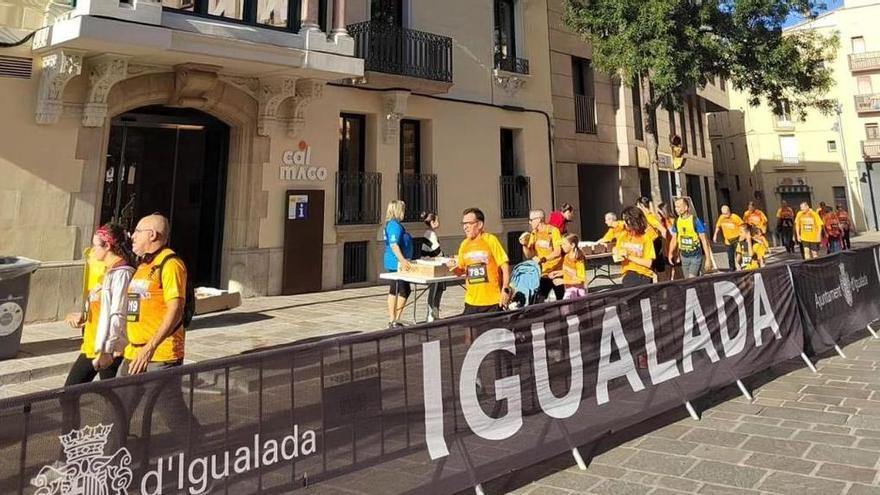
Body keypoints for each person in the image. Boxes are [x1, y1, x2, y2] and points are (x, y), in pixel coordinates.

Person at [63, 224, 136, 386]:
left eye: (95, 245)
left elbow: (117, 313)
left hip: (107, 346)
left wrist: (107, 349)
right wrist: (84, 315)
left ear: (108, 246)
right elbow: (101, 307)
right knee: (70, 393)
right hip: (93, 343)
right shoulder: (107, 271)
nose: (93, 250)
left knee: (110, 398)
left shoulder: (121, 274)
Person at [125, 214, 187, 375]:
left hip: (159, 355)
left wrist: (150, 348)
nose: (132, 236)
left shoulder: (171, 264)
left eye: (138, 231)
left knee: (148, 400)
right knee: (120, 398)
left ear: (152, 235)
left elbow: (176, 309)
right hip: (133, 351)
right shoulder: (144, 264)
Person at [448, 208, 511, 314]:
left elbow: (504, 266)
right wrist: (452, 268)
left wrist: (505, 289)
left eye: (469, 223)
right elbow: (460, 271)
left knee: (492, 331)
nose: (465, 227)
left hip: (492, 302)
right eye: (463, 223)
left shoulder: (490, 240)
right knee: (469, 330)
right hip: (471, 302)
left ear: (480, 224)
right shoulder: (464, 244)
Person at [520, 209, 564, 302]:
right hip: (544, 273)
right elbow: (529, 255)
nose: (529, 222)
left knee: (562, 301)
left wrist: (543, 259)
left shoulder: (553, 231)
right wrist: (524, 245)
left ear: (539, 220)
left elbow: (557, 252)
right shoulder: (533, 233)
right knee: (538, 300)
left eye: (531, 220)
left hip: (556, 272)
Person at [383, 200, 412, 327]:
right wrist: (403, 260)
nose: (404, 212)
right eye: (403, 209)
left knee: (395, 289)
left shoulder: (392, 224)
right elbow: (394, 245)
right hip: (397, 263)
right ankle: (395, 318)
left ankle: (394, 319)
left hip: (394, 262)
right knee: (403, 289)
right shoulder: (394, 226)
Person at [669, 198, 714, 278]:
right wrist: (671, 253)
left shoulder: (695, 221)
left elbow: (704, 240)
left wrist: (708, 258)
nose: (676, 209)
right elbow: (674, 239)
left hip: (695, 256)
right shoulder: (676, 222)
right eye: (675, 207)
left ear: (686, 207)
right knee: (688, 281)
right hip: (684, 256)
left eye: (679, 207)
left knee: (691, 278)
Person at [614, 206, 657, 287]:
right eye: (623, 220)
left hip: (643, 275)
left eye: (626, 220)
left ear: (633, 220)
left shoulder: (646, 237)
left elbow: (648, 263)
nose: (624, 222)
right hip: (628, 274)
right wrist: (616, 252)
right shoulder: (623, 235)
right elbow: (617, 256)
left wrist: (629, 257)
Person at [420, 211, 444, 322]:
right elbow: (436, 251)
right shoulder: (431, 234)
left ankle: (435, 313)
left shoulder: (429, 233)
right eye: (437, 220)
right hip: (433, 266)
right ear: (433, 222)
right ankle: (431, 314)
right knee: (434, 290)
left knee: (438, 289)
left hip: (432, 264)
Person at [549, 233, 587, 300]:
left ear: (572, 245)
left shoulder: (578, 259)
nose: (562, 246)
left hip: (578, 291)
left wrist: (563, 281)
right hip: (568, 289)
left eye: (564, 244)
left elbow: (581, 280)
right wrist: (557, 273)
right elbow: (566, 271)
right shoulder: (566, 257)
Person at [637, 197, 668, 276]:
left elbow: (661, 228)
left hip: (654, 243)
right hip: (651, 242)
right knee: (654, 267)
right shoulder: (646, 215)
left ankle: (660, 284)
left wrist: (666, 243)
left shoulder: (648, 215)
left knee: (655, 266)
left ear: (641, 205)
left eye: (637, 205)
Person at [713, 205, 744, 271]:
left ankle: (738, 265)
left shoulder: (735, 217)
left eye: (727, 213)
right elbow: (718, 226)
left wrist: (742, 235)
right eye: (724, 214)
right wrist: (715, 235)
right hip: (728, 240)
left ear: (729, 211)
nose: (726, 215)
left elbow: (742, 225)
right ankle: (732, 268)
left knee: (739, 253)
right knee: (730, 256)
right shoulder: (721, 218)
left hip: (737, 238)